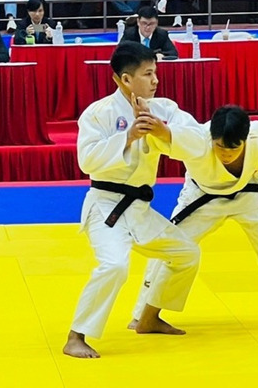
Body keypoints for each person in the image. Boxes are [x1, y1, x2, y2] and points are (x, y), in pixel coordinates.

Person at [63, 42, 207, 359]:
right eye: (148, 73)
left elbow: (199, 142)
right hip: (106, 206)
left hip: (140, 210)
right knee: (114, 265)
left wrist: (164, 132)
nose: (156, 80)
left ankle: (149, 316)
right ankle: (76, 336)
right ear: (126, 79)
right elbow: (87, 161)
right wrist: (127, 137)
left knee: (186, 253)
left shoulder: (164, 109)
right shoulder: (98, 113)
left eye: (155, 72)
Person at [130, 105, 258, 333]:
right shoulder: (197, 140)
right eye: (219, 146)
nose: (226, 153)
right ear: (212, 139)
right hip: (201, 196)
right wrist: (156, 128)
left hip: (247, 193)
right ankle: (142, 315)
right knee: (170, 247)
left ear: (245, 141)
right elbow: (167, 137)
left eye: (234, 148)